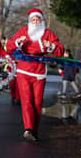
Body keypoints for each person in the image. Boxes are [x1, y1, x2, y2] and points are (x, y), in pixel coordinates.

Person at [6, 8, 64, 141]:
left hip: (39, 71)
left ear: (41, 21)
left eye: (38, 19)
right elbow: (9, 46)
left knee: (37, 102)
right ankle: (28, 128)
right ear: (29, 21)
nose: (35, 22)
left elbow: (60, 51)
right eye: (33, 19)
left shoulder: (47, 33)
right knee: (26, 100)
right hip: (24, 70)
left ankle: (34, 130)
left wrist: (52, 46)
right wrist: (16, 43)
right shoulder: (22, 32)